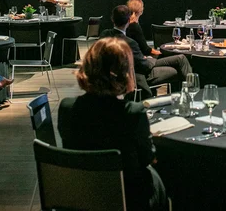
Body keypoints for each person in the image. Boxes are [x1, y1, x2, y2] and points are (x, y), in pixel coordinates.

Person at [58, 37, 167, 211]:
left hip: (80, 195)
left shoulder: (67, 108)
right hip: (128, 199)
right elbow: (147, 158)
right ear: (125, 72)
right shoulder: (133, 113)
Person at [100, 5, 192, 100]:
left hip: (122, 73)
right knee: (178, 68)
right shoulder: (130, 43)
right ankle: (191, 93)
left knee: (180, 58)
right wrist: (149, 59)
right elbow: (145, 66)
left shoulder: (104, 35)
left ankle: (184, 96)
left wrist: (145, 58)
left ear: (112, 19)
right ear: (128, 21)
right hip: (140, 74)